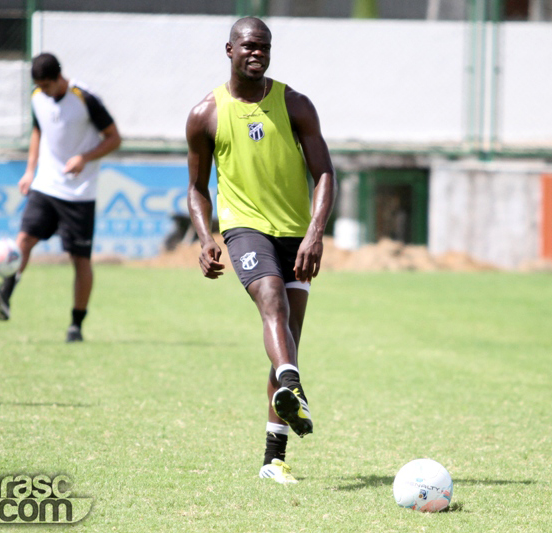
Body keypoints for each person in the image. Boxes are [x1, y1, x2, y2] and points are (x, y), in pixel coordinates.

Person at [185, 17, 336, 484]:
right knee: (270, 298)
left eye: (265, 47)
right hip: (244, 227)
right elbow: (195, 187)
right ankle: (291, 385)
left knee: (287, 337)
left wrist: (314, 232)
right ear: (228, 49)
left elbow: (326, 173)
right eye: (249, 46)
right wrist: (205, 236)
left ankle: (273, 460)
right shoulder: (204, 113)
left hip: (296, 232)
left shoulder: (295, 104)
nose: (258, 53)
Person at [0, 52, 121, 342]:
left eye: (47, 85)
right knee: (23, 241)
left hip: (79, 194)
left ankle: (76, 325)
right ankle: (5, 297)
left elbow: (114, 138)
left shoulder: (85, 98)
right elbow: (38, 131)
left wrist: (84, 157)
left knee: (80, 260)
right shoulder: (37, 97)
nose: (43, 91)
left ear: (59, 78)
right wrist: (30, 171)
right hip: (45, 186)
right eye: (39, 86)